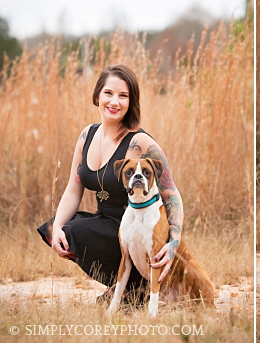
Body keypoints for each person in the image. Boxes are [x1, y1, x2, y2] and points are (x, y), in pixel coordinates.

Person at [37, 64, 186, 304]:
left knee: (76, 231)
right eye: (108, 93)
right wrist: (57, 229)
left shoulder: (140, 142)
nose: (114, 101)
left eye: (123, 95)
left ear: (131, 102)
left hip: (137, 225)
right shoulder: (87, 135)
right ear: (97, 95)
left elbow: (171, 193)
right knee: (57, 228)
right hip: (105, 222)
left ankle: (139, 286)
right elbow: (73, 190)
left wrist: (173, 243)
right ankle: (126, 288)